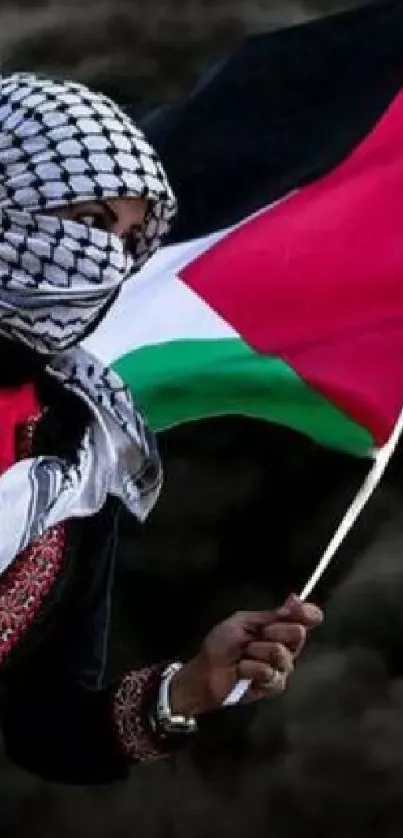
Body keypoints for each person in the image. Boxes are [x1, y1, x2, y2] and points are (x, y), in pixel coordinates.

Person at [0, 72, 323, 785]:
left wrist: (191, 688)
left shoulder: (81, 447)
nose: (106, 257)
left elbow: (45, 725)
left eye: (127, 235)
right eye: (87, 223)